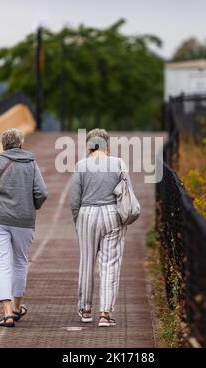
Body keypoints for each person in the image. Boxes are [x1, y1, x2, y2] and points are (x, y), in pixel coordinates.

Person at [0, 128, 48, 327]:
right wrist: (31, 207)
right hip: (24, 220)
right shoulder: (31, 164)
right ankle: (17, 307)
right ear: (21, 144)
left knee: (2, 263)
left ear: (3, 145)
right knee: (20, 262)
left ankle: (6, 314)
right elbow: (41, 192)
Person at [70, 128, 134, 327]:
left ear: (88, 146)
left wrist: (77, 222)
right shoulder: (118, 164)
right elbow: (127, 193)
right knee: (110, 264)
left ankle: (86, 309)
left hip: (86, 214)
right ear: (108, 146)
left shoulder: (81, 166)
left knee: (86, 262)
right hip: (111, 214)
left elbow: (74, 200)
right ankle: (105, 313)